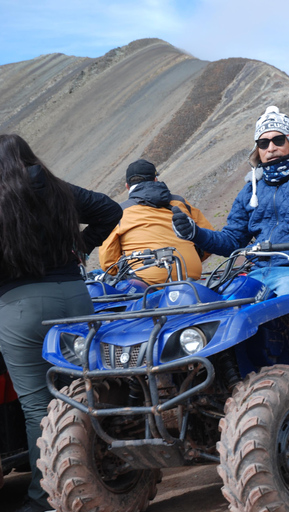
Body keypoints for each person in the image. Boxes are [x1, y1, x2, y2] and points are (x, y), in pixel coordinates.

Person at [0, 134, 122, 512]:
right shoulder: (57, 189)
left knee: (39, 409)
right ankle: (100, 480)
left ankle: (45, 499)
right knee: (79, 395)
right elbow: (111, 211)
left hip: (20, 306)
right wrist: (80, 248)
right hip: (75, 299)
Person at [171, 106, 289, 308]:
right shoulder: (249, 191)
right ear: (258, 150)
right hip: (258, 273)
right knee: (217, 312)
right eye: (263, 143)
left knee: (284, 311)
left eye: (278, 140)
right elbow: (231, 241)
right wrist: (194, 233)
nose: (271, 148)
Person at [98, 159, 213, 284]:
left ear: (127, 186)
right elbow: (209, 239)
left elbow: (108, 261)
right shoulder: (180, 202)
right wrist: (191, 256)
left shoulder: (117, 212)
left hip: (146, 280)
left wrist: (124, 269)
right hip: (189, 274)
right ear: (155, 180)